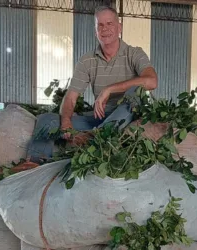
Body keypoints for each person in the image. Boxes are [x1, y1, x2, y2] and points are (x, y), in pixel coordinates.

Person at [25, 5, 158, 164]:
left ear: (119, 27)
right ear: (96, 31)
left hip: (127, 116)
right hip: (99, 118)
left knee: (136, 93)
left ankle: (96, 139)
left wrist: (109, 89)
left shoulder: (134, 53)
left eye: (109, 24)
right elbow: (71, 98)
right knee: (47, 120)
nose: (105, 29)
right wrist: (66, 120)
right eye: (100, 25)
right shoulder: (87, 60)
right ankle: (33, 162)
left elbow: (151, 81)